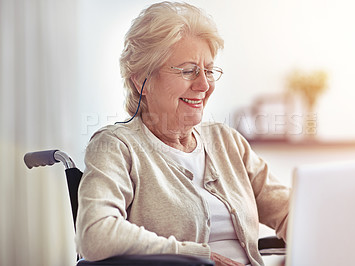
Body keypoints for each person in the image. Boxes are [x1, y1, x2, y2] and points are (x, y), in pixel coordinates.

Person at [75, 2, 290, 266]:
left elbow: (290, 211)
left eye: (208, 71)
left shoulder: (227, 141)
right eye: (188, 70)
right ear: (141, 79)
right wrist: (193, 254)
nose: (204, 85)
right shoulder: (116, 146)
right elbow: (96, 233)